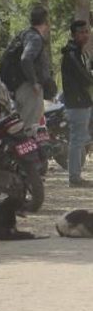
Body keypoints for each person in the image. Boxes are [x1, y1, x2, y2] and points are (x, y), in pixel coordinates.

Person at [59, 19, 93, 187]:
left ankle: (76, 173)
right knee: (77, 140)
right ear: (73, 34)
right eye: (81, 32)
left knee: (80, 138)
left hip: (83, 101)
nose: (85, 35)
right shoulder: (72, 54)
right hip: (77, 102)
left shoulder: (80, 52)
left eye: (87, 31)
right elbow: (84, 77)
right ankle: (74, 177)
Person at [13, 5, 53, 135]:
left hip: (18, 87)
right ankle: (28, 154)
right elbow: (26, 59)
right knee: (30, 126)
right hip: (30, 90)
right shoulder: (35, 38)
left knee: (21, 125)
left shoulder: (23, 35)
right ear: (46, 22)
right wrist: (34, 82)